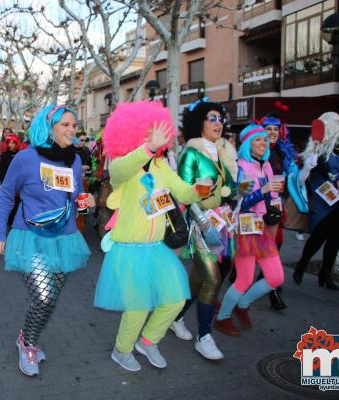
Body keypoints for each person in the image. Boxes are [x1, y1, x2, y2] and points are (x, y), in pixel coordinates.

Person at [92, 101, 203, 372]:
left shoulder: (162, 167)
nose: (152, 139)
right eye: (146, 133)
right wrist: (148, 148)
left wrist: (201, 188)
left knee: (175, 299)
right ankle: (122, 350)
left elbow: (184, 193)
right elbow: (119, 172)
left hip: (156, 248)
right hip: (128, 249)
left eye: (155, 134)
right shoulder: (122, 167)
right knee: (138, 306)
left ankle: (148, 340)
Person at [0, 104, 94, 377]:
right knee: (44, 296)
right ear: (49, 127)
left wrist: (86, 203)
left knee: (49, 299)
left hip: (64, 238)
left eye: (74, 125)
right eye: (65, 124)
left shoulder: (73, 160)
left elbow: (76, 198)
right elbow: (4, 196)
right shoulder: (25, 159)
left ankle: (28, 336)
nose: (72, 129)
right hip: (31, 238)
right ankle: (27, 344)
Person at [170, 99, 238, 360]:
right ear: (199, 123)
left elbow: (230, 187)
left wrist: (232, 201)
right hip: (199, 227)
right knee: (212, 279)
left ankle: (174, 317)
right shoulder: (191, 153)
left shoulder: (219, 153)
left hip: (221, 226)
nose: (218, 123)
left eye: (220, 118)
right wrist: (204, 220)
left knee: (198, 283)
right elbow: (186, 195)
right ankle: (204, 336)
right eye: (212, 118)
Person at [214, 123, 285, 336]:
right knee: (244, 279)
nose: (263, 142)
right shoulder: (241, 168)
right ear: (247, 144)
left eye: (265, 139)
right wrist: (262, 190)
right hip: (244, 228)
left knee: (275, 278)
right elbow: (239, 204)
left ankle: (241, 304)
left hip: (261, 227)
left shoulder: (266, 166)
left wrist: (275, 201)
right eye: (257, 139)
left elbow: (271, 196)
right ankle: (222, 317)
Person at [293, 112, 339, 290]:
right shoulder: (316, 146)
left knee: (335, 237)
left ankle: (325, 274)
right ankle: (301, 265)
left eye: (336, 122)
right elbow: (318, 167)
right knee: (319, 234)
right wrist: (335, 180)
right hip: (321, 197)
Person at [255, 114, 297, 310]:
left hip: (275, 205)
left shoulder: (282, 152)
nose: (272, 132)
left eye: (275, 128)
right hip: (257, 205)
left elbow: (288, 181)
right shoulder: (256, 151)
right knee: (259, 248)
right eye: (268, 128)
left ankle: (270, 287)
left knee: (272, 247)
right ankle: (260, 282)